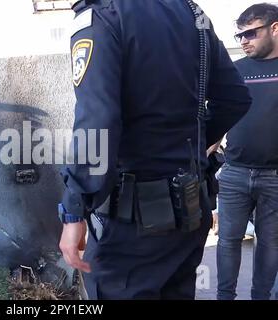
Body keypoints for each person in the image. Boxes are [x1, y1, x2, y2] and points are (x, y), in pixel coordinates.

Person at [58, 0, 251, 300]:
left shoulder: (102, 16)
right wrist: (195, 146)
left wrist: (74, 209)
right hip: (190, 210)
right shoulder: (191, 13)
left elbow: (98, 122)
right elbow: (235, 98)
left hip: (132, 227)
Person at [216, 3, 278, 300]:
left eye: (251, 33)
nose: (243, 41)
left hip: (275, 177)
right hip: (234, 172)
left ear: (275, 28)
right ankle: (224, 297)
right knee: (228, 241)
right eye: (239, 35)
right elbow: (217, 115)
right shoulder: (235, 71)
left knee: (270, 243)